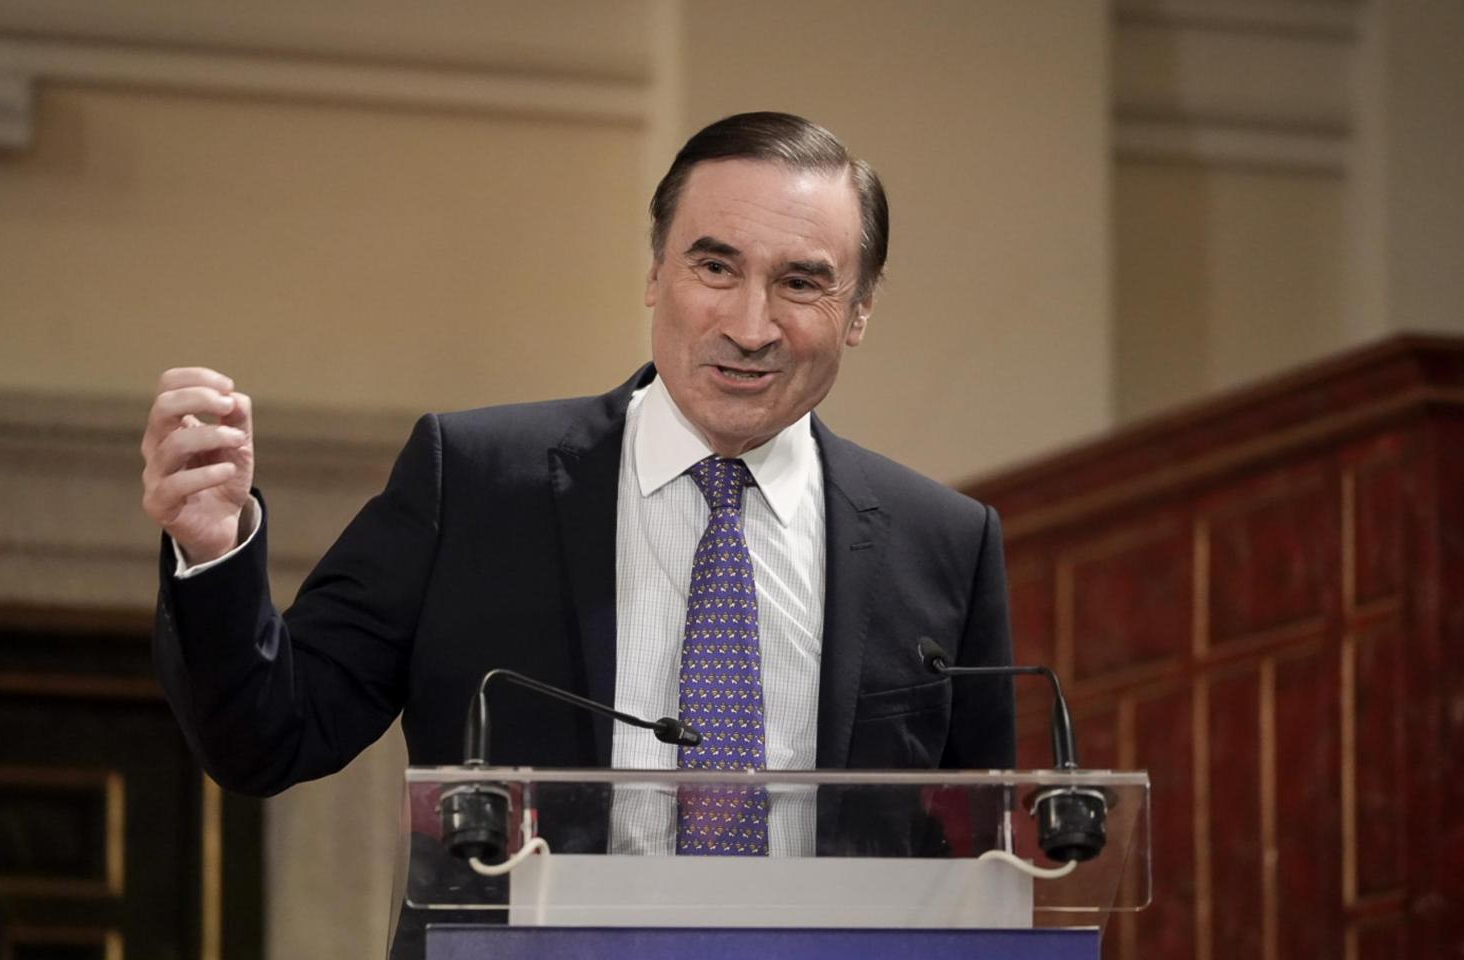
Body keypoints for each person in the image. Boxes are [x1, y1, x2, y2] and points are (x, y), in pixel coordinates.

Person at [141, 112, 1015, 859]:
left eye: (800, 283)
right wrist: (214, 553)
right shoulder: (476, 482)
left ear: (859, 310)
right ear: (655, 274)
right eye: (715, 268)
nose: (751, 327)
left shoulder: (942, 542)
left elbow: (990, 850)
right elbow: (270, 739)